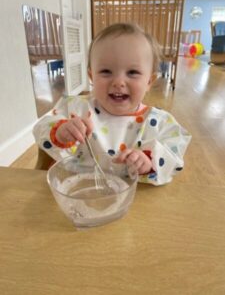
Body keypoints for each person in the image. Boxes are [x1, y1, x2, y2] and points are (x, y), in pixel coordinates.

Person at [33, 23, 191, 185]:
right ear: (91, 76)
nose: (118, 82)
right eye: (106, 71)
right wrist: (60, 131)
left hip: (132, 196)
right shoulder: (76, 108)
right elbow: (41, 128)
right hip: (76, 188)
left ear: (149, 81)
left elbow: (174, 155)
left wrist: (149, 161)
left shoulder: (158, 122)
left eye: (132, 72)